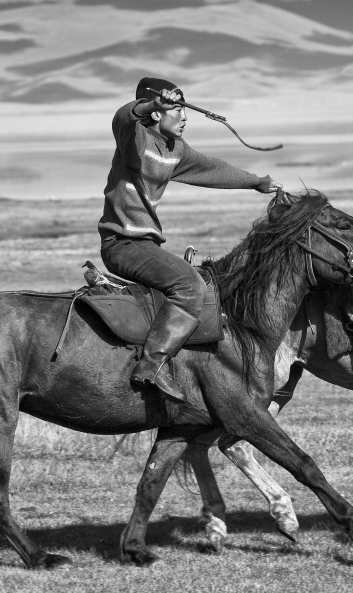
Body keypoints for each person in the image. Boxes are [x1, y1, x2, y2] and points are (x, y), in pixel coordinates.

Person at [98, 77, 282, 402]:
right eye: (178, 109)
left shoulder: (174, 150)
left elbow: (213, 169)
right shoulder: (136, 140)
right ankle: (151, 366)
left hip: (145, 247)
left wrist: (256, 182)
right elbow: (122, 118)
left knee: (197, 282)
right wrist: (151, 105)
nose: (185, 118)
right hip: (123, 245)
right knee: (190, 286)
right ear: (157, 113)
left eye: (185, 110)